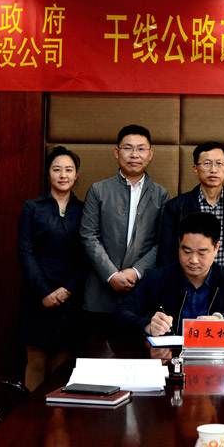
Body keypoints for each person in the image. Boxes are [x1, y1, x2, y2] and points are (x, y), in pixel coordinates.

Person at [117, 212, 224, 336]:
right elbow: (121, 314)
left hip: (214, 358)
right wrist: (148, 326)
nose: (193, 260)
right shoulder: (157, 278)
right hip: (169, 358)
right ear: (179, 245)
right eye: (187, 251)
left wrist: (222, 320)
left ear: (216, 248)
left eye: (202, 253)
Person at [80, 125, 169, 335]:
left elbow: (162, 242)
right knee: (96, 352)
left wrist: (136, 272)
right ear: (116, 152)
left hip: (141, 291)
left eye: (141, 149)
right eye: (128, 148)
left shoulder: (161, 194)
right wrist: (111, 274)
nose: (134, 155)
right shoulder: (98, 190)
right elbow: (88, 236)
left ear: (150, 154)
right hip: (99, 293)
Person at [17, 146, 86, 391]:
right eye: (57, 170)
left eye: (69, 170)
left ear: (76, 175)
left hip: (70, 294)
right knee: (36, 360)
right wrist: (44, 292)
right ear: (48, 174)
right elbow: (25, 252)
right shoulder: (32, 207)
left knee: (61, 364)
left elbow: (86, 256)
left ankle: (56, 414)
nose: (63, 175)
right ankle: (30, 414)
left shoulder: (84, 209)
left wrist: (66, 290)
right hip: (37, 293)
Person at [158, 141, 224, 272]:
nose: (213, 170)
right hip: (188, 280)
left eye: (219, 164)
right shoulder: (175, 207)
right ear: (195, 169)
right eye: (207, 163)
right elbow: (166, 255)